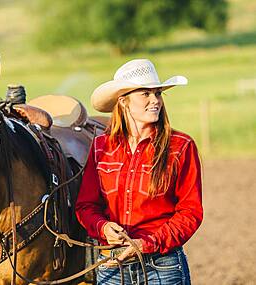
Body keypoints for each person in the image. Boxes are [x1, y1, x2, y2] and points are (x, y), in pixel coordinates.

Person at [75, 59, 203, 285]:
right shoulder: (101, 147)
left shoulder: (180, 146)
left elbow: (190, 212)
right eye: (145, 93)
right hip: (112, 265)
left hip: (163, 265)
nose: (155, 101)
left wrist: (148, 243)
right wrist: (103, 227)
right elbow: (86, 206)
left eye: (158, 94)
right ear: (123, 102)